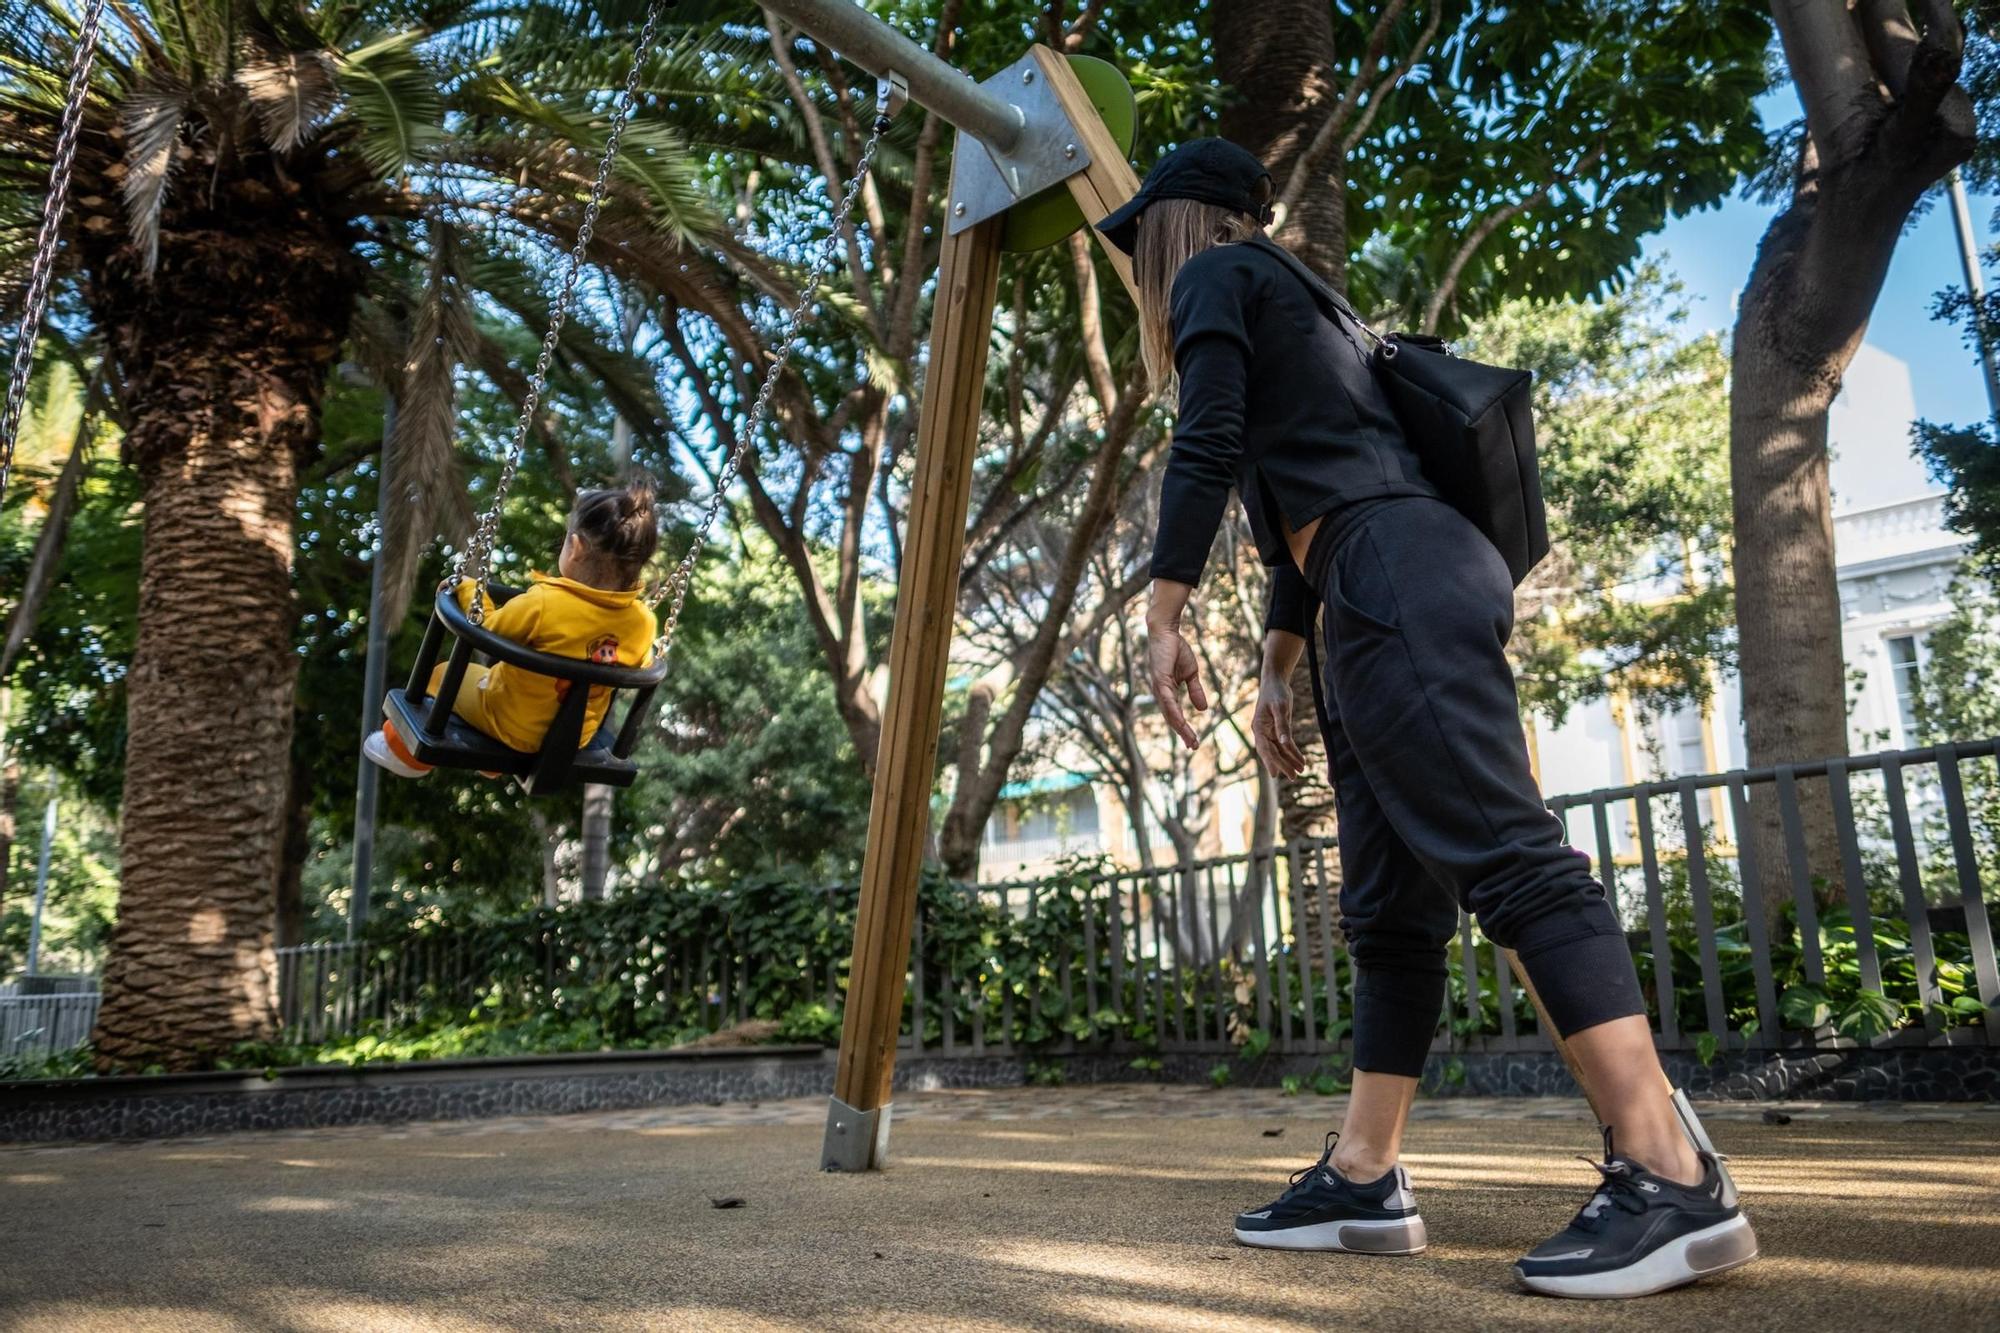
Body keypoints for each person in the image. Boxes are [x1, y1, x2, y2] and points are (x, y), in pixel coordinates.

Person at [1095, 138, 1758, 1298]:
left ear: (1172, 226)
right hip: (1376, 577)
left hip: (1391, 569)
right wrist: (1276, 668)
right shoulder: (1312, 316)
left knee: (1506, 854)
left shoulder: (1216, 275)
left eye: (1137, 243)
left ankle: (1668, 1173)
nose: (1139, 267)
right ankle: (1363, 1174)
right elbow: (1302, 504)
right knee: (1389, 908)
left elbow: (1201, 442)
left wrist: (1161, 612)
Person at [365, 480, 660, 777]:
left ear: (576, 548)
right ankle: (491, 766)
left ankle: (403, 754)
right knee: (493, 680)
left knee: (443, 675)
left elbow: (487, 626)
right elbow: (644, 664)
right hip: (573, 736)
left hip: (509, 722)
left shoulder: (543, 604)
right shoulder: (643, 622)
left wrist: (469, 591)